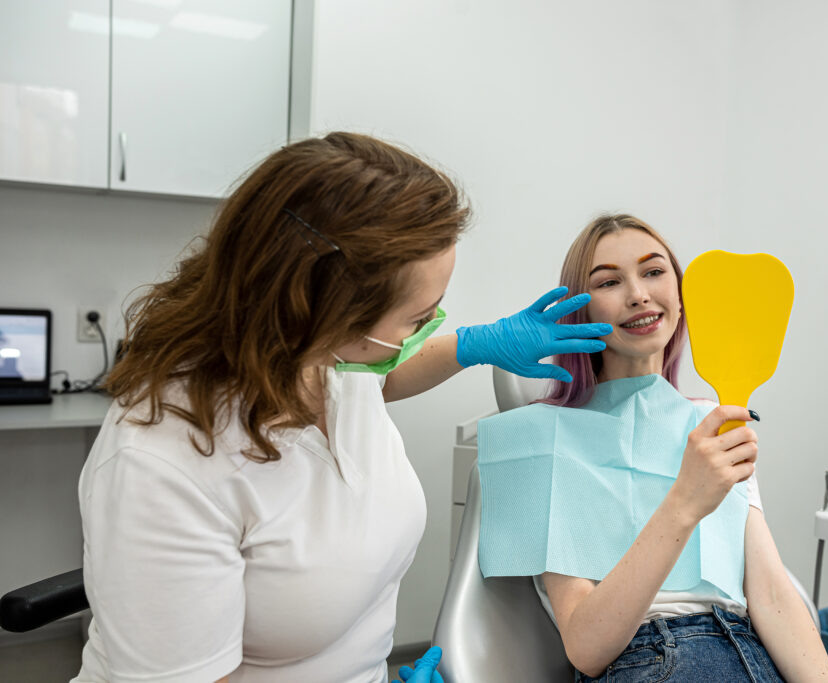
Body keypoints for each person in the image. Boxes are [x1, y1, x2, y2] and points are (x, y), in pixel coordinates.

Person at [72, 132, 611, 683]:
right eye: (416, 317)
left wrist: (474, 345)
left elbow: (381, 375)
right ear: (321, 310)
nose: (430, 327)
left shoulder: (319, 358)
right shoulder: (161, 464)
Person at [482, 215, 828, 682]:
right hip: (655, 657)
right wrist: (687, 499)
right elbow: (587, 649)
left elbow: (771, 597)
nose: (638, 294)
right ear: (580, 309)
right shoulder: (540, 441)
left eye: (653, 272)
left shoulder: (712, 423)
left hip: (753, 653)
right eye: (609, 281)